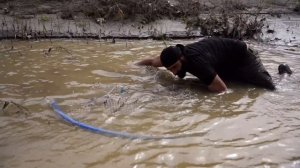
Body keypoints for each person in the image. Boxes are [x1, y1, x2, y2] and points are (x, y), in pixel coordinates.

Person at [136, 37, 277, 92]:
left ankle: (284, 73)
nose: (173, 72)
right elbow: (151, 62)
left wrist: (190, 90)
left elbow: (222, 89)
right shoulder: (172, 57)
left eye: (174, 67)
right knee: (237, 82)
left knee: (269, 87)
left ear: (182, 58)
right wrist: (131, 67)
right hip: (222, 62)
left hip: (244, 57)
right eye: (169, 69)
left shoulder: (197, 62)